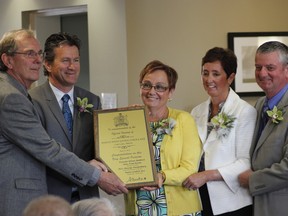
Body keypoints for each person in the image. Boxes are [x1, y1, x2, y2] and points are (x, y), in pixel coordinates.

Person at [0, 29, 128, 216]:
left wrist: (132, 123)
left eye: (38, 53)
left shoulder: (16, 93)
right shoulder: (12, 97)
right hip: (27, 198)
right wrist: (98, 176)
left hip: (83, 197)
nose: (36, 59)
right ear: (8, 60)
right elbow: (47, 149)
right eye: (29, 54)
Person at [183, 47, 256, 216]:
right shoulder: (196, 112)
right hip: (199, 197)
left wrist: (206, 176)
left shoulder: (245, 112)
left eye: (216, 74)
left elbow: (246, 162)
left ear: (230, 77)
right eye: (205, 73)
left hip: (231, 202)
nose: (209, 79)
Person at [29, 32, 101, 203]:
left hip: (87, 196)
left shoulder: (92, 100)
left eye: (76, 60)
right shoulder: (32, 100)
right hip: (50, 197)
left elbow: (101, 148)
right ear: (47, 64)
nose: (72, 66)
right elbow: (41, 152)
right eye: (65, 60)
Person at [125, 60, 202, 216]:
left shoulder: (184, 120)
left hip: (180, 209)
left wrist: (162, 176)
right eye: (146, 85)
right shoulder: (130, 119)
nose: (152, 91)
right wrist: (128, 120)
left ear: (171, 91)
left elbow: (190, 168)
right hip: (139, 208)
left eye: (159, 87)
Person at [238, 41, 288, 216]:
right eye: (258, 67)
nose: (262, 73)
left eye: (270, 67)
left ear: (287, 70)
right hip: (255, 205)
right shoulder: (258, 104)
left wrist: (253, 180)